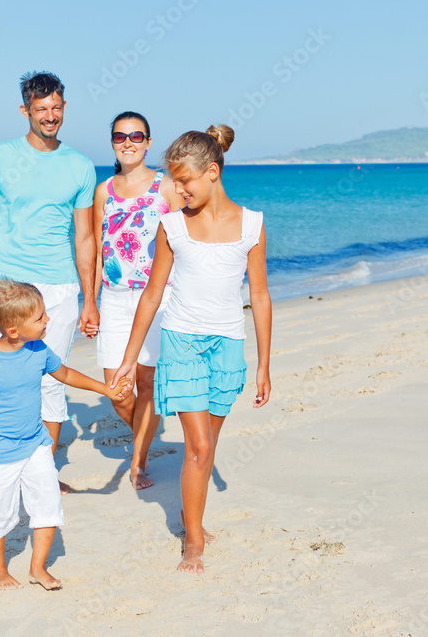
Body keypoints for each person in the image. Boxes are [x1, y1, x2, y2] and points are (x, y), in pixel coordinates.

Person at [110, 124, 272, 574]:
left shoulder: (252, 224)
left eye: (185, 181)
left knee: (209, 445)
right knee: (197, 446)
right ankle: (193, 541)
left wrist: (264, 364)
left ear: (213, 172)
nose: (177, 190)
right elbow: (151, 294)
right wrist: (129, 357)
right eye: (173, 181)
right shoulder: (170, 226)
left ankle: (190, 514)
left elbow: (259, 296)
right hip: (181, 342)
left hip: (227, 345)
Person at [0, 71, 98, 493]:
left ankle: (43, 477)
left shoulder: (79, 166)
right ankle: (2, 470)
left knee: (51, 381)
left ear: (64, 107)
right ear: (26, 111)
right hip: (5, 287)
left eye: (56, 108)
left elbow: (86, 237)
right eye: (41, 110)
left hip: (57, 288)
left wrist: (90, 298)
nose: (50, 116)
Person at [0, 279, 130, 591]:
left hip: (36, 444)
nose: (49, 320)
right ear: (14, 330)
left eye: (45, 314)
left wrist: (106, 389)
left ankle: (38, 567)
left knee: (47, 504)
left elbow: (66, 373)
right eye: (40, 317)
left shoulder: (39, 350)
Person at [91, 112, 183, 490]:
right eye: (120, 136)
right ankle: (146, 432)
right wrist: (90, 301)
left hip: (158, 297)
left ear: (147, 142)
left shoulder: (167, 187)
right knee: (116, 388)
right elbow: (98, 249)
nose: (127, 142)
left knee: (147, 384)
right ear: (112, 142)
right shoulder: (103, 190)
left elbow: (185, 239)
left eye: (136, 136)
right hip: (113, 298)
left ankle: (139, 460)